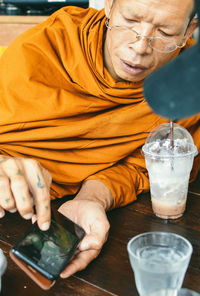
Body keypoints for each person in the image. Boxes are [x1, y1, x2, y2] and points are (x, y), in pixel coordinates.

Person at [0, 0, 199, 279]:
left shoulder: (187, 81)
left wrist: (93, 197)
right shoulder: (49, 44)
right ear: (109, 5)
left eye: (165, 33)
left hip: (57, 221)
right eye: (130, 20)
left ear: (189, 29)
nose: (140, 46)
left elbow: (144, 163)